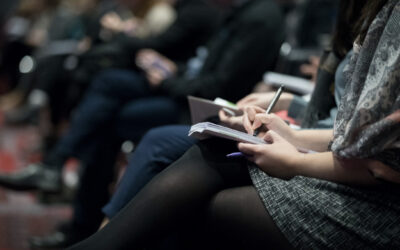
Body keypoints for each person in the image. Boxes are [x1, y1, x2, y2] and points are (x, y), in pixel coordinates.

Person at [68, 0, 400, 249]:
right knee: (202, 144)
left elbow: (380, 161)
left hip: (375, 204)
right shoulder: (371, 12)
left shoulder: (262, 16)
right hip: (338, 159)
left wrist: (298, 155)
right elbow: (355, 135)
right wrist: (289, 132)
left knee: (192, 193)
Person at [0, 0, 285, 248]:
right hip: (188, 93)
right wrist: (173, 70)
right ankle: (84, 219)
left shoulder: (254, 16)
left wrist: (168, 79)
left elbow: (219, 85)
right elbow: (202, 65)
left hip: (209, 110)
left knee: (116, 118)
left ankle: (92, 225)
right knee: (106, 88)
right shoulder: (233, 10)